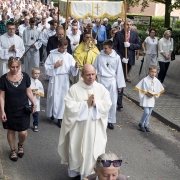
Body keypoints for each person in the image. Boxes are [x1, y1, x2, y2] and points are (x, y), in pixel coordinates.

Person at [58, 64, 112, 180]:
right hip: (79, 128)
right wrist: (84, 105)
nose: (91, 77)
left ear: (96, 74)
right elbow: (69, 106)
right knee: (76, 149)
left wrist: (96, 104)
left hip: (95, 128)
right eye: (88, 75)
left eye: (93, 74)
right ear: (82, 75)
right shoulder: (74, 89)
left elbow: (107, 104)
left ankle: (91, 174)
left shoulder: (101, 89)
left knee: (94, 150)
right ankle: (76, 174)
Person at [0, 56, 36, 162]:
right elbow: (1, 96)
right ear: (8, 66)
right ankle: (13, 150)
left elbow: (28, 91)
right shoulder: (3, 79)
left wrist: (34, 103)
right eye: (12, 67)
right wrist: (2, 111)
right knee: (11, 130)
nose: (14, 69)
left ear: (19, 66)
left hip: (23, 108)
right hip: (10, 109)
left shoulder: (25, 76)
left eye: (16, 67)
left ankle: (21, 145)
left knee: (23, 132)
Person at [45, 38, 79, 128]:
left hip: (64, 79)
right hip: (55, 78)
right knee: (53, 97)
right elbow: (46, 67)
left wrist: (75, 67)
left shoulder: (69, 56)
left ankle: (60, 118)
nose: (64, 50)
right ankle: (52, 113)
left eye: (65, 48)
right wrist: (54, 66)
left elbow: (72, 70)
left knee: (63, 98)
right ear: (58, 46)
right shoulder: (52, 55)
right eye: (62, 48)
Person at [94, 40, 126, 130]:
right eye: (103, 48)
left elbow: (119, 71)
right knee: (100, 100)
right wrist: (95, 75)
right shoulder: (100, 56)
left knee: (112, 101)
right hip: (101, 80)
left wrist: (120, 85)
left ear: (111, 48)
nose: (104, 50)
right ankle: (100, 118)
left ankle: (110, 120)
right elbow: (94, 67)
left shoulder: (116, 57)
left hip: (112, 80)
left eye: (106, 48)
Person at [113, 18, 141, 110]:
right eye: (127, 24)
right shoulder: (118, 34)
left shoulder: (134, 34)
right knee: (119, 80)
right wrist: (121, 58)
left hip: (129, 61)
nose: (129, 26)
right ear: (123, 25)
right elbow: (114, 47)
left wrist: (130, 45)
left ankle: (119, 100)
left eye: (130, 25)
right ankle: (119, 102)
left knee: (122, 80)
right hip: (120, 61)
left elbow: (138, 45)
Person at [135, 65, 164, 132]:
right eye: (152, 72)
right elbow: (141, 88)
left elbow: (159, 89)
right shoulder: (145, 80)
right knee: (146, 112)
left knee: (149, 113)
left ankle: (146, 125)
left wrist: (155, 94)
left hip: (152, 99)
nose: (153, 73)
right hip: (146, 98)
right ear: (149, 72)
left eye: (155, 72)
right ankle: (141, 123)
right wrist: (147, 93)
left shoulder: (156, 81)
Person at [30, 67, 44, 132]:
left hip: (36, 100)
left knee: (35, 114)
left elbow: (42, 94)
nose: (37, 75)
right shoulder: (29, 81)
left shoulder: (39, 83)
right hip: (29, 100)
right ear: (32, 73)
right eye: (35, 73)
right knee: (27, 113)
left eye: (38, 73)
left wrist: (37, 92)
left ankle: (35, 125)